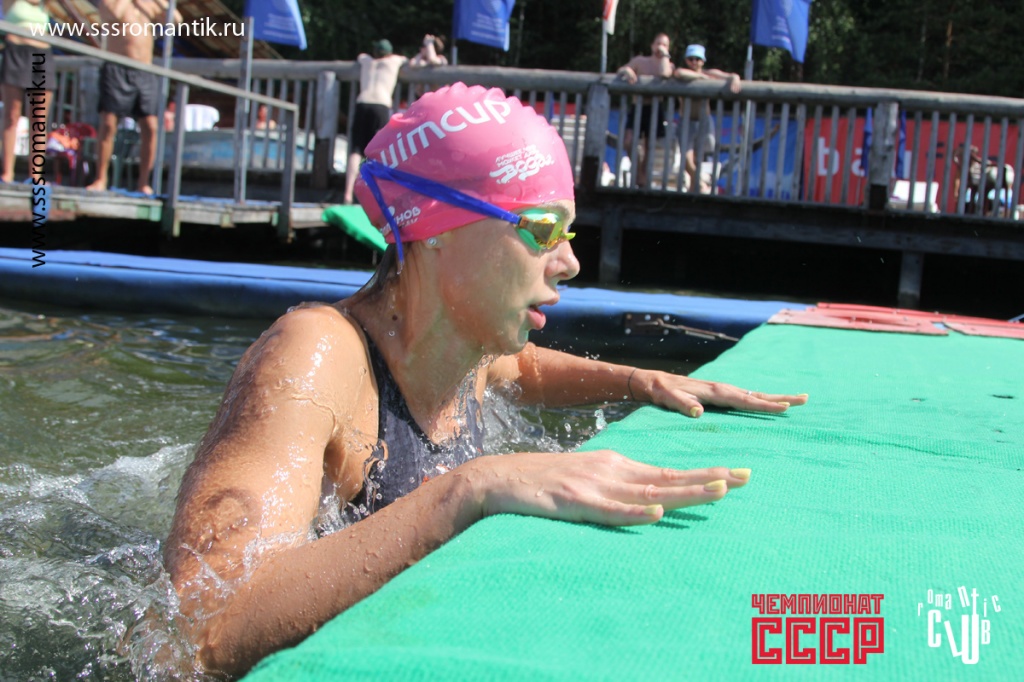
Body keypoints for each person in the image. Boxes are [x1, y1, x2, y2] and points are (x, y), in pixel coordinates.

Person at [165, 83, 807, 678]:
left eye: (567, 231)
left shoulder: (463, 349)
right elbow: (199, 631)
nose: (570, 261)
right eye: (542, 228)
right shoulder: (316, 354)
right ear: (437, 228)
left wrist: (639, 380)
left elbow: (522, 367)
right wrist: (474, 487)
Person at [85, 0, 182, 195]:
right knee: (108, 124)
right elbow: (115, 13)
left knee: (151, 126)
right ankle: (100, 178)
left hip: (144, 70)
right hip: (117, 67)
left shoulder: (148, 5)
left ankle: (143, 182)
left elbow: (176, 19)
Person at [342, 39, 408, 204]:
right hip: (380, 105)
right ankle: (376, 195)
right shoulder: (395, 61)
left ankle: (348, 193)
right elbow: (413, 62)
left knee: (356, 150)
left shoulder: (366, 60)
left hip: (362, 103)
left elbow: (360, 56)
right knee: (378, 151)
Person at [673, 44, 742, 193]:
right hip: (686, 120)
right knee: (686, 158)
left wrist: (735, 78)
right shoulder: (683, 75)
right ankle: (700, 181)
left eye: (697, 59)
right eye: (691, 59)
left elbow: (730, 75)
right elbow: (678, 72)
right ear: (686, 60)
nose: (694, 62)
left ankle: (694, 187)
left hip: (704, 121)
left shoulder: (709, 73)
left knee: (699, 158)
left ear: (703, 61)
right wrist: (702, 77)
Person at [1, 0, 55, 184]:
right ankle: (7, 173)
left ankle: (36, 175)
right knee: (11, 115)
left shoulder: (45, 4)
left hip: (42, 53)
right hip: (16, 51)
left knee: (38, 118)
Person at [615, 33, 676, 188]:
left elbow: (664, 74)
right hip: (638, 106)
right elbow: (622, 69)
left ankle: (642, 178)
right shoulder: (640, 61)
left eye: (665, 45)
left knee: (650, 146)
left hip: (655, 108)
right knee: (628, 141)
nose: (660, 47)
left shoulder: (668, 65)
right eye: (658, 44)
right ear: (652, 45)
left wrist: (664, 56)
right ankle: (637, 170)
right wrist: (627, 71)